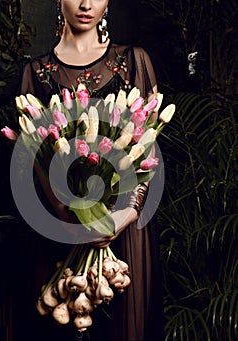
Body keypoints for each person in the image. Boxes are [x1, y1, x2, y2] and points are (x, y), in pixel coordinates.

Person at [18, 1, 163, 340]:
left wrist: (125, 215)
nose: (86, 4)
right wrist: (69, 217)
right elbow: (31, 158)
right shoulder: (36, 72)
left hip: (127, 231)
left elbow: (149, 148)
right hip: (61, 230)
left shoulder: (133, 61)